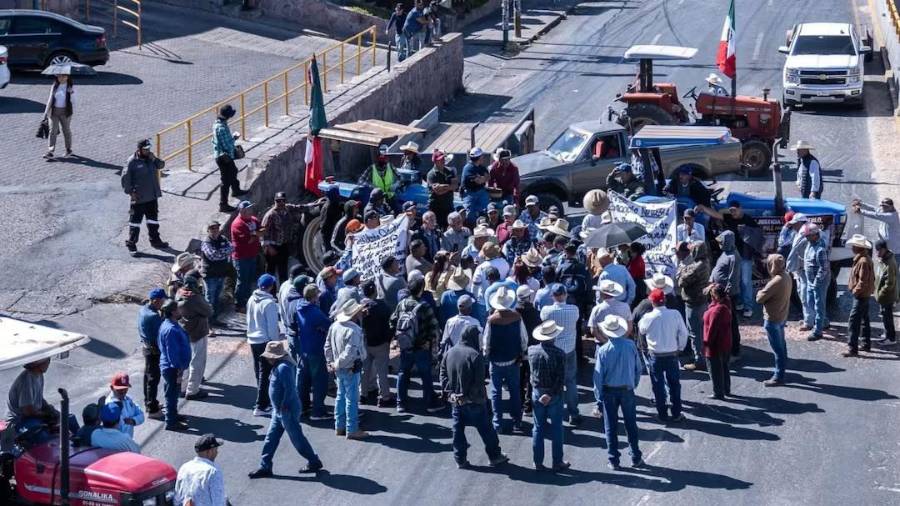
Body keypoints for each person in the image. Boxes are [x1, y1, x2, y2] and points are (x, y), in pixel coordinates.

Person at [249, 341, 324, 478]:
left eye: (269, 356)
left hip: (286, 410)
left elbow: (290, 389)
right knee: (271, 438)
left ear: (275, 357)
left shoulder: (283, 368)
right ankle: (265, 465)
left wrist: (284, 405)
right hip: (278, 410)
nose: (267, 358)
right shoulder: (278, 366)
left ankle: (313, 461)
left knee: (297, 438)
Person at [441, 325, 510, 469]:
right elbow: (478, 382)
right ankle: (495, 456)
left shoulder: (449, 353)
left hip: (456, 401)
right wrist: (468, 396)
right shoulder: (475, 355)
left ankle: (460, 459)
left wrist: (451, 393)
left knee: (457, 431)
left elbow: (443, 374)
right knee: (486, 430)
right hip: (474, 401)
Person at [593, 315, 644, 470]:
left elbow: (598, 376)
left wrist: (599, 397)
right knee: (631, 424)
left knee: (611, 426)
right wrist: (633, 384)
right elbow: (638, 368)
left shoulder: (603, 350)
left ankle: (614, 459)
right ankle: (635, 456)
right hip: (627, 390)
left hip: (609, 391)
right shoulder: (630, 346)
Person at [392, 277, 443, 413]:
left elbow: (392, 321)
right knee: (425, 375)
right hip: (421, 346)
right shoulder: (424, 306)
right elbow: (434, 327)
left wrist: (399, 338)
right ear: (421, 289)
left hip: (405, 346)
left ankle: (400, 403)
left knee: (403, 373)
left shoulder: (401, 304)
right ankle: (429, 402)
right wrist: (431, 343)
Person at [483, 287, 528, 434]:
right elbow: (524, 338)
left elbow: (486, 341)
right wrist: (521, 353)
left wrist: (487, 355)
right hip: (512, 360)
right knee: (515, 390)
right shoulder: (517, 317)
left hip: (495, 361)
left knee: (496, 392)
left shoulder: (491, 320)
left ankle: (498, 423)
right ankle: (517, 421)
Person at [638, 288, 688, 422]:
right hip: (672, 355)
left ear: (652, 302)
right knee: (674, 385)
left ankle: (662, 414)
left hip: (655, 356)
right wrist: (680, 347)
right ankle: (676, 412)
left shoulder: (647, 317)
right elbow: (684, 333)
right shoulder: (675, 314)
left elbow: (641, 330)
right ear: (664, 300)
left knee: (658, 386)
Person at [528, 321, 569, 471]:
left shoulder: (531, 351)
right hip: (554, 393)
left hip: (537, 391)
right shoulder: (559, 354)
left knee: (538, 427)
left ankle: (537, 461)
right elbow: (560, 378)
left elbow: (531, 374)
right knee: (557, 428)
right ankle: (557, 461)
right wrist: (550, 394)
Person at [325, 300, 369, 439]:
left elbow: (327, 346)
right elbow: (350, 353)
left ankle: (339, 426)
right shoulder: (354, 330)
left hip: (338, 368)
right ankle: (352, 429)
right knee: (352, 399)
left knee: (340, 396)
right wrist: (337, 364)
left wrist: (331, 362)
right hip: (349, 367)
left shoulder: (334, 326)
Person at [539, 284, 581, 425]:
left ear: (552, 296)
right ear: (565, 295)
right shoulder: (574, 310)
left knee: (552, 382)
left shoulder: (546, 311)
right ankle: (573, 414)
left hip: (553, 350)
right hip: (569, 350)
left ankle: (554, 412)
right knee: (570, 382)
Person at [121, 139, 169, 255]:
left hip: (152, 197)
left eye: (148, 149)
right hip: (139, 198)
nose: (148, 151)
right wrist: (130, 192)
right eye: (145, 149)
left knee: (153, 221)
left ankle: (155, 241)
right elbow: (125, 179)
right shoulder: (132, 162)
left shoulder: (151, 159)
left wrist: (154, 158)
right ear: (139, 149)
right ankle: (132, 244)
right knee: (135, 223)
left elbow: (161, 165)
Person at [292, 284, 331, 420]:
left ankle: (303, 408)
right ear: (314, 296)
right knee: (320, 381)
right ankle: (318, 412)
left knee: (304, 380)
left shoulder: (299, 308)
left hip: (304, 349)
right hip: (316, 350)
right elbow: (329, 325)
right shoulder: (315, 312)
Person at [756, 254, 792, 385]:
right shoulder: (787, 276)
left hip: (772, 318)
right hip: (782, 316)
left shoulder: (775, 281)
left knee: (777, 350)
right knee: (782, 346)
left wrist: (760, 291)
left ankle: (778, 376)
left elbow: (759, 298)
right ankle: (782, 370)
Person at [4, 358, 60, 442]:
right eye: (47, 360)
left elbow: (39, 398)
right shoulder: (26, 381)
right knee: (43, 436)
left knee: (67, 419)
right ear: (37, 364)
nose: (49, 362)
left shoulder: (39, 375)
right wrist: (46, 415)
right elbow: (28, 411)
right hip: (19, 420)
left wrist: (49, 409)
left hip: (32, 415)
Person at [247, 274, 280, 417]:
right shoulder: (270, 304)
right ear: (271, 286)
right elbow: (272, 327)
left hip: (253, 340)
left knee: (259, 372)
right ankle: (261, 405)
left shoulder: (251, 299)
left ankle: (264, 400)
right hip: (265, 341)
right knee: (265, 373)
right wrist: (276, 343)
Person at [176, 276, 213, 400]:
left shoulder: (178, 293)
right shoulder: (194, 298)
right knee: (197, 362)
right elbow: (209, 311)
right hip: (197, 332)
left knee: (185, 361)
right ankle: (192, 390)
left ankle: (182, 387)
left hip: (184, 330)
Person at [676, 242, 711, 371]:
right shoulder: (705, 261)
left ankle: (699, 360)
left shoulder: (697, 267)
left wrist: (682, 269)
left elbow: (681, 281)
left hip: (693, 302)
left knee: (694, 333)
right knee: (700, 331)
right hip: (701, 300)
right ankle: (702, 356)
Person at [360, 281, 395, 407]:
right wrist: (388, 339)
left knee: (365, 370)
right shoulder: (382, 306)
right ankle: (385, 397)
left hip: (365, 343)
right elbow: (391, 323)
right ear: (374, 290)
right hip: (381, 344)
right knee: (382, 371)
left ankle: (362, 395)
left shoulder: (360, 307)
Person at [158, 300, 191, 431]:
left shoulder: (170, 324)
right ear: (173, 312)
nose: (180, 311)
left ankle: (174, 415)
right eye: (178, 309)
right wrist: (178, 370)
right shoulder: (170, 329)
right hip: (173, 368)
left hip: (173, 367)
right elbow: (173, 353)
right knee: (171, 395)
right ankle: (171, 422)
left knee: (174, 393)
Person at [708, 231, 742, 356]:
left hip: (727, 296)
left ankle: (735, 350)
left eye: (722, 242)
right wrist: (711, 278)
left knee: (731, 322)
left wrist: (725, 295)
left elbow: (733, 278)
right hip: (718, 292)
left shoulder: (734, 257)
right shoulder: (725, 253)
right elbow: (717, 268)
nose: (720, 244)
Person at [212, 104, 249, 212]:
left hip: (221, 155)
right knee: (226, 181)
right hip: (224, 157)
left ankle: (236, 190)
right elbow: (226, 145)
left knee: (233, 171)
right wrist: (234, 138)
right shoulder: (222, 128)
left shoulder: (217, 124)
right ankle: (223, 204)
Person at [261, 192, 303, 284]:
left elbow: (299, 207)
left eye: (282, 201)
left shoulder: (287, 209)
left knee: (283, 270)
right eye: (278, 201)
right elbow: (263, 232)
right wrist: (268, 247)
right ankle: (270, 293)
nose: (280, 203)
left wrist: (315, 204)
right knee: (270, 272)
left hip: (284, 246)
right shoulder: (270, 215)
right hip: (272, 247)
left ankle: (283, 290)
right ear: (274, 201)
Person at [175, 434, 228, 506]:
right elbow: (218, 502)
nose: (217, 452)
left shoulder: (184, 468)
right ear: (209, 452)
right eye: (216, 450)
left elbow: (177, 499)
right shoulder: (212, 472)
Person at [844, 234, 876, 357]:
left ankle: (853, 348)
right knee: (864, 319)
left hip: (861, 295)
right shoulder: (863, 259)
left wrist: (855, 291)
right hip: (864, 294)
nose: (852, 247)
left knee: (854, 321)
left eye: (854, 245)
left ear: (858, 247)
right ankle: (866, 343)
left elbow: (863, 281)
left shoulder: (862, 261)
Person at [138, 288, 167, 418]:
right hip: (153, 350)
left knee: (148, 377)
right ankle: (152, 409)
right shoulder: (154, 316)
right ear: (155, 301)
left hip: (146, 346)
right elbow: (160, 333)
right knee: (153, 379)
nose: (163, 303)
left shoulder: (144, 309)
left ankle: (150, 402)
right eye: (162, 301)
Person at [200, 220, 233, 326]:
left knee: (217, 298)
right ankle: (207, 324)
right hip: (210, 276)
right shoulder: (206, 242)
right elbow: (212, 256)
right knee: (209, 300)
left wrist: (220, 252)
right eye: (212, 228)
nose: (215, 230)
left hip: (221, 274)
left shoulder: (223, 239)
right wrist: (224, 252)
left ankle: (215, 320)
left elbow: (232, 248)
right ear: (208, 230)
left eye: (217, 228)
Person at [703, 284, 733, 399]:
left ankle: (718, 392)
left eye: (712, 295)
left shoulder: (716, 311)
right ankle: (726, 389)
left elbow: (712, 330)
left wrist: (706, 344)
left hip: (714, 345)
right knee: (725, 366)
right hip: (726, 341)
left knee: (715, 369)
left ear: (715, 296)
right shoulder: (727, 304)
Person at [231, 201, 261, 310]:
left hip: (252, 255)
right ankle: (239, 304)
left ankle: (247, 300)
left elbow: (262, 230)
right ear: (242, 211)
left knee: (249, 279)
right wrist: (256, 234)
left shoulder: (253, 219)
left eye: (251, 208)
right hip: (241, 257)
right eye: (248, 209)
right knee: (242, 281)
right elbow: (248, 240)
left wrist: (255, 234)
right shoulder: (237, 224)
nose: (251, 210)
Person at [802, 224, 829, 341]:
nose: (806, 238)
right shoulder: (810, 244)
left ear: (815, 235)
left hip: (818, 282)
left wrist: (816, 282)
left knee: (819, 305)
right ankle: (825, 321)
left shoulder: (820, 249)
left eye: (808, 236)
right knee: (811, 301)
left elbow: (824, 268)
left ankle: (818, 331)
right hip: (810, 280)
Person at [43, 73, 75, 159]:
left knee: (66, 130)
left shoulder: (70, 87)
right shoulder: (55, 86)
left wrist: (71, 93)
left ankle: (68, 149)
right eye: (59, 76)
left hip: (66, 112)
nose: (61, 78)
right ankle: (50, 151)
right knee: (52, 130)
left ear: (67, 77)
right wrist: (45, 113)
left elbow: (74, 101)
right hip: (53, 112)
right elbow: (50, 99)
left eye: (63, 76)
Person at [105, 372, 145, 439]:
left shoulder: (128, 399)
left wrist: (133, 420)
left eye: (125, 388)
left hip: (127, 440)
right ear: (112, 388)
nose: (123, 391)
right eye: (120, 389)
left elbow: (141, 415)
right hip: (116, 443)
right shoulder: (109, 405)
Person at [460, 147, 490, 228]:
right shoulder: (468, 168)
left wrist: (481, 178)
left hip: (480, 192)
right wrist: (482, 178)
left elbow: (487, 177)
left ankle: (484, 226)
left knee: (485, 211)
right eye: (482, 156)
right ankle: (472, 228)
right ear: (479, 157)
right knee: (470, 214)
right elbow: (478, 181)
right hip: (470, 193)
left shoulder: (481, 167)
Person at [874, 240, 898, 344]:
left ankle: (890, 338)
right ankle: (888, 334)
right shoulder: (884, 259)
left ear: (884, 250)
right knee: (885, 315)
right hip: (884, 296)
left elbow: (890, 283)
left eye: (879, 251)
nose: (877, 253)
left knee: (887, 316)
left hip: (887, 296)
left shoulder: (889, 263)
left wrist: (880, 294)